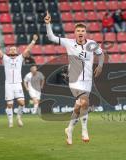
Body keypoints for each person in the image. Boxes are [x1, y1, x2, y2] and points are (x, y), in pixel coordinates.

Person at [44, 11, 104, 145]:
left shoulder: (92, 44)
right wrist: (48, 24)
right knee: (85, 102)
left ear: (85, 32)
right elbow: (52, 37)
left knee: (79, 106)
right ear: (75, 33)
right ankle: (84, 130)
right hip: (75, 80)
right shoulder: (69, 43)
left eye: (83, 30)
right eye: (78, 30)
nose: (80, 32)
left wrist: (100, 66)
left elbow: (101, 54)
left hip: (87, 80)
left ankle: (70, 129)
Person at [0, 34, 38, 128]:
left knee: (22, 103)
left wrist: (33, 41)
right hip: (9, 84)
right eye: (11, 49)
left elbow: (27, 50)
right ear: (9, 51)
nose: (13, 50)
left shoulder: (20, 58)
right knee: (9, 104)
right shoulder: (5, 59)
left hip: (17, 84)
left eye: (14, 49)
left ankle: (19, 117)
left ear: (16, 51)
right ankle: (10, 121)